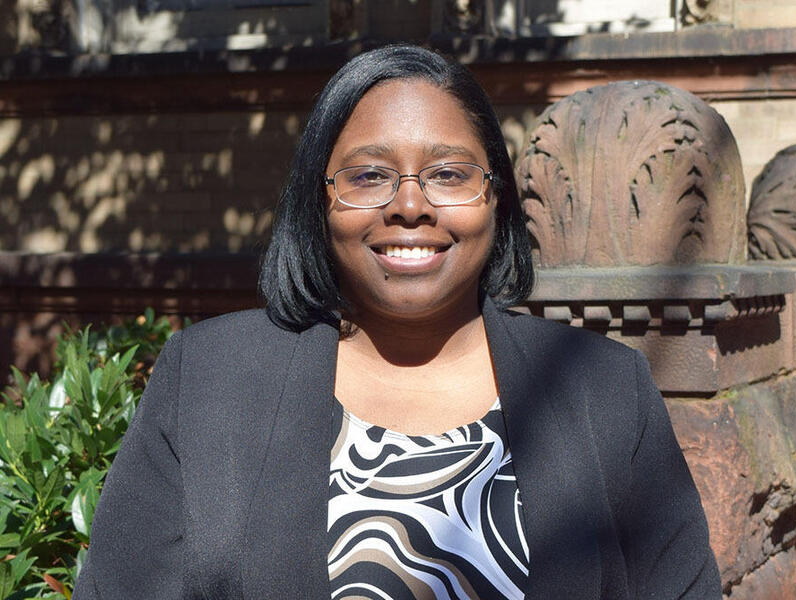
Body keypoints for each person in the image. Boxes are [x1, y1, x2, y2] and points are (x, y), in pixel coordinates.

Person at [73, 45, 722, 599]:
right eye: (369, 175)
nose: (409, 204)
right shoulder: (210, 380)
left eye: (447, 173)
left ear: (494, 197)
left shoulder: (603, 389)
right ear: (317, 199)